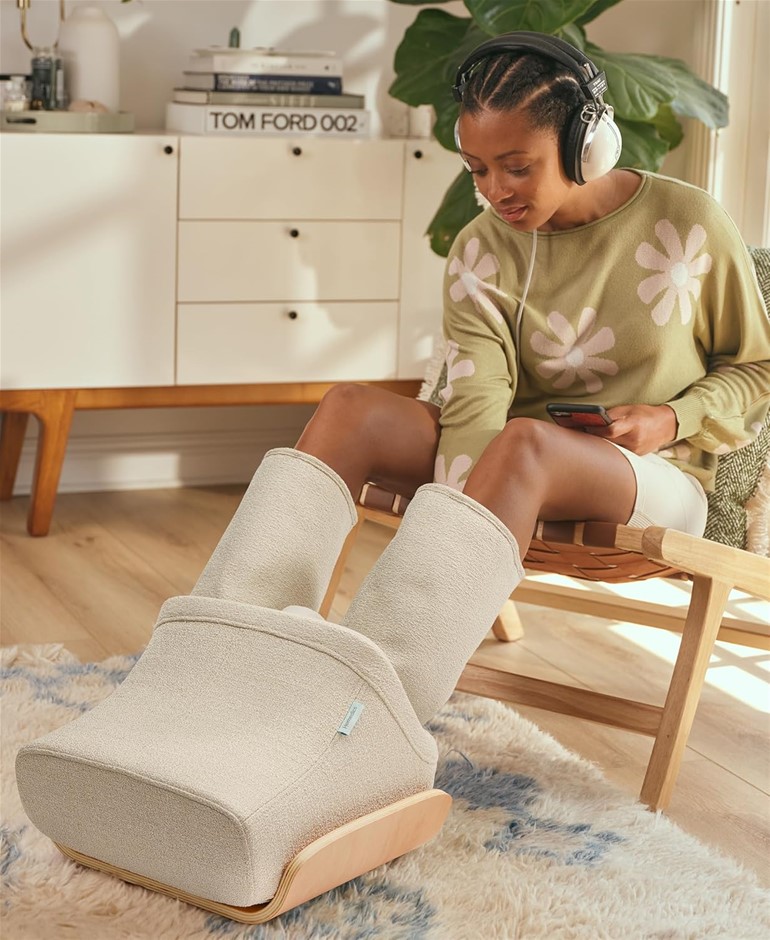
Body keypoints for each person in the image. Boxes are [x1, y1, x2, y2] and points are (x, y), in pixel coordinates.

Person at [193, 31, 770, 724]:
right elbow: (477, 397)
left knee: (525, 443)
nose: (496, 191)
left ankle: (365, 715)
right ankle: (224, 658)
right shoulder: (481, 248)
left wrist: (671, 417)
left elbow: (757, 367)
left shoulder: (688, 222)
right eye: (477, 169)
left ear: (586, 144)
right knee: (351, 408)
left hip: (656, 476)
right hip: (511, 465)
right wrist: (461, 504)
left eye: (517, 167)